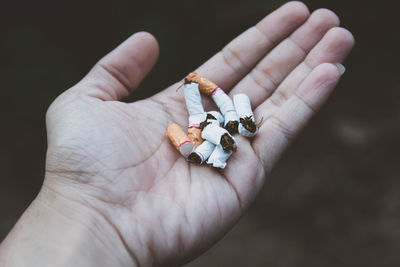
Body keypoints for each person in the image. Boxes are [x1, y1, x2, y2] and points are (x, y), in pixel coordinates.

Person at [0, 2, 354, 266]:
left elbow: (212, 109)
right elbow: (203, 118)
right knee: (203, 117)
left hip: (206, 132)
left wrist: (78, 211)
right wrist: (86, 206)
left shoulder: (223, 124)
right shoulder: (208, 131)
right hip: (203, 134)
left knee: (207, 117)